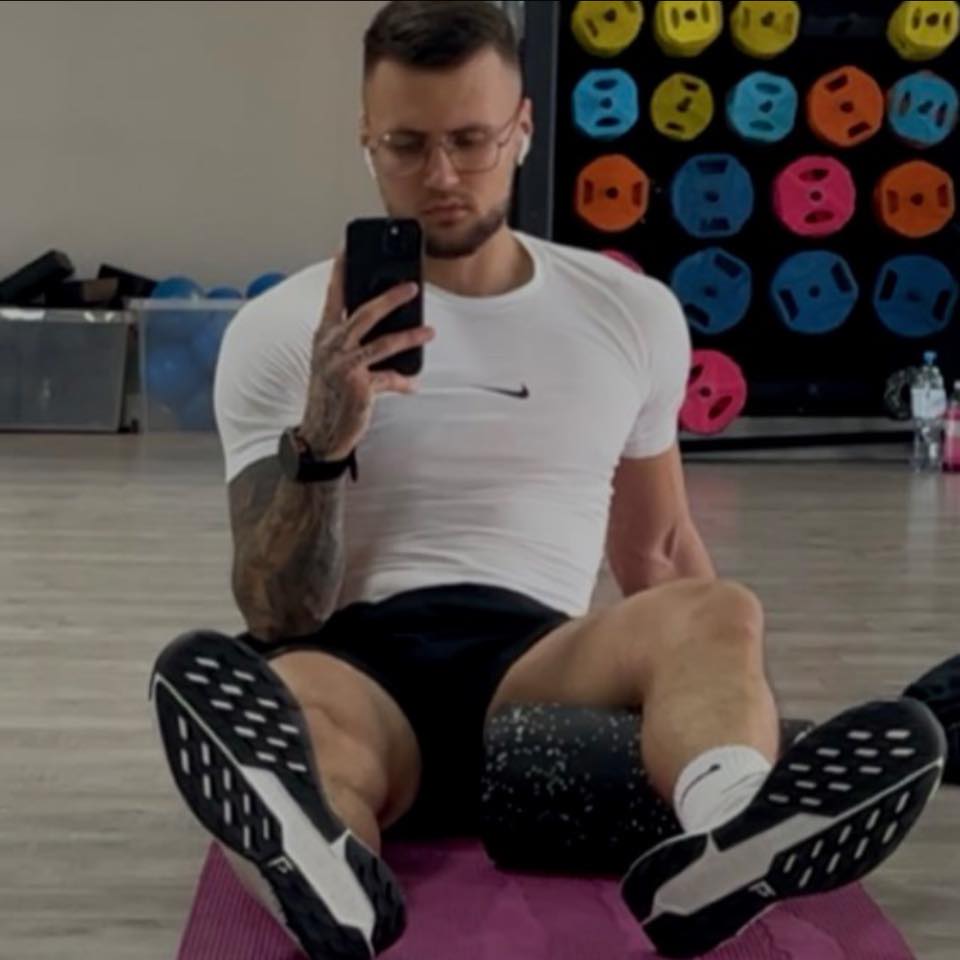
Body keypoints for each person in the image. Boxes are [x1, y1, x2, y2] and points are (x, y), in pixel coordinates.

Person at [149, 3, 947, 958]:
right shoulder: (281, 332)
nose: (442, 176)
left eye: (471, 141)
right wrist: (322, 439)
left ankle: (734, 827)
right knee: (290, 706)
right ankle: (325, 873)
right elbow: (277, 609)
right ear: (366, 139)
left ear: (523, 130)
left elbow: (658, 554)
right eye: (407, 145)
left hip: (539, 672)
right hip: (354, 665)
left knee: (719, 608)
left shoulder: (630, 312)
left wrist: (729, 699)